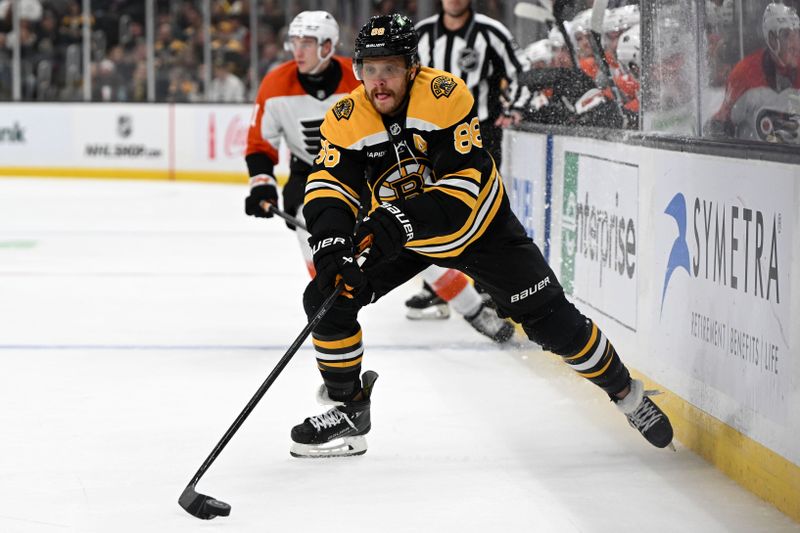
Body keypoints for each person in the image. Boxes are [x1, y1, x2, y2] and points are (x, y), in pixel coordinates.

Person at [289, 14, 674, 458]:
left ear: (412, 67)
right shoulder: (346, 117)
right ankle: (349, 410)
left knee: (554, 325)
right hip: (410, 237)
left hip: (482, 229)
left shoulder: (444, 96)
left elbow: (460, 194)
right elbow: (329, 186)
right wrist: (331, 243)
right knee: (327, 296)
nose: (379, 82)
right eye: (369, 69)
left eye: (390, 68)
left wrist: (393, 221)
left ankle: (626, 393)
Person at [407, 0, 525, 333]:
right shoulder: (422, 35)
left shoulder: (491, 32)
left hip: (479, 134)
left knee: (483, 211)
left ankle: (488, 289)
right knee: (432, 207)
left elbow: (518, 72)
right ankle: (440, 286)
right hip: (427, 136)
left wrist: (515, 107)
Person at [244, 11, 359, 275]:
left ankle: (473, 308)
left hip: (362, 169)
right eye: (294, 42)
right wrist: (262, 185)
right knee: (307, 227)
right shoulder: (275, 84)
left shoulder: (357, 78)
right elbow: (260, 144)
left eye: (306, 43)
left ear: (327, 46)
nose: (298, 50)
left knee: (407, 239)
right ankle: (333, 308)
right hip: (307, 173)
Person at [708, 2, 800, 143]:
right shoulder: (744, 74)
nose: (796, 44)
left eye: (797, 33)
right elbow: (721, 124)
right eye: (786, 35)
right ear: (772, 40)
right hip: (754, 164)